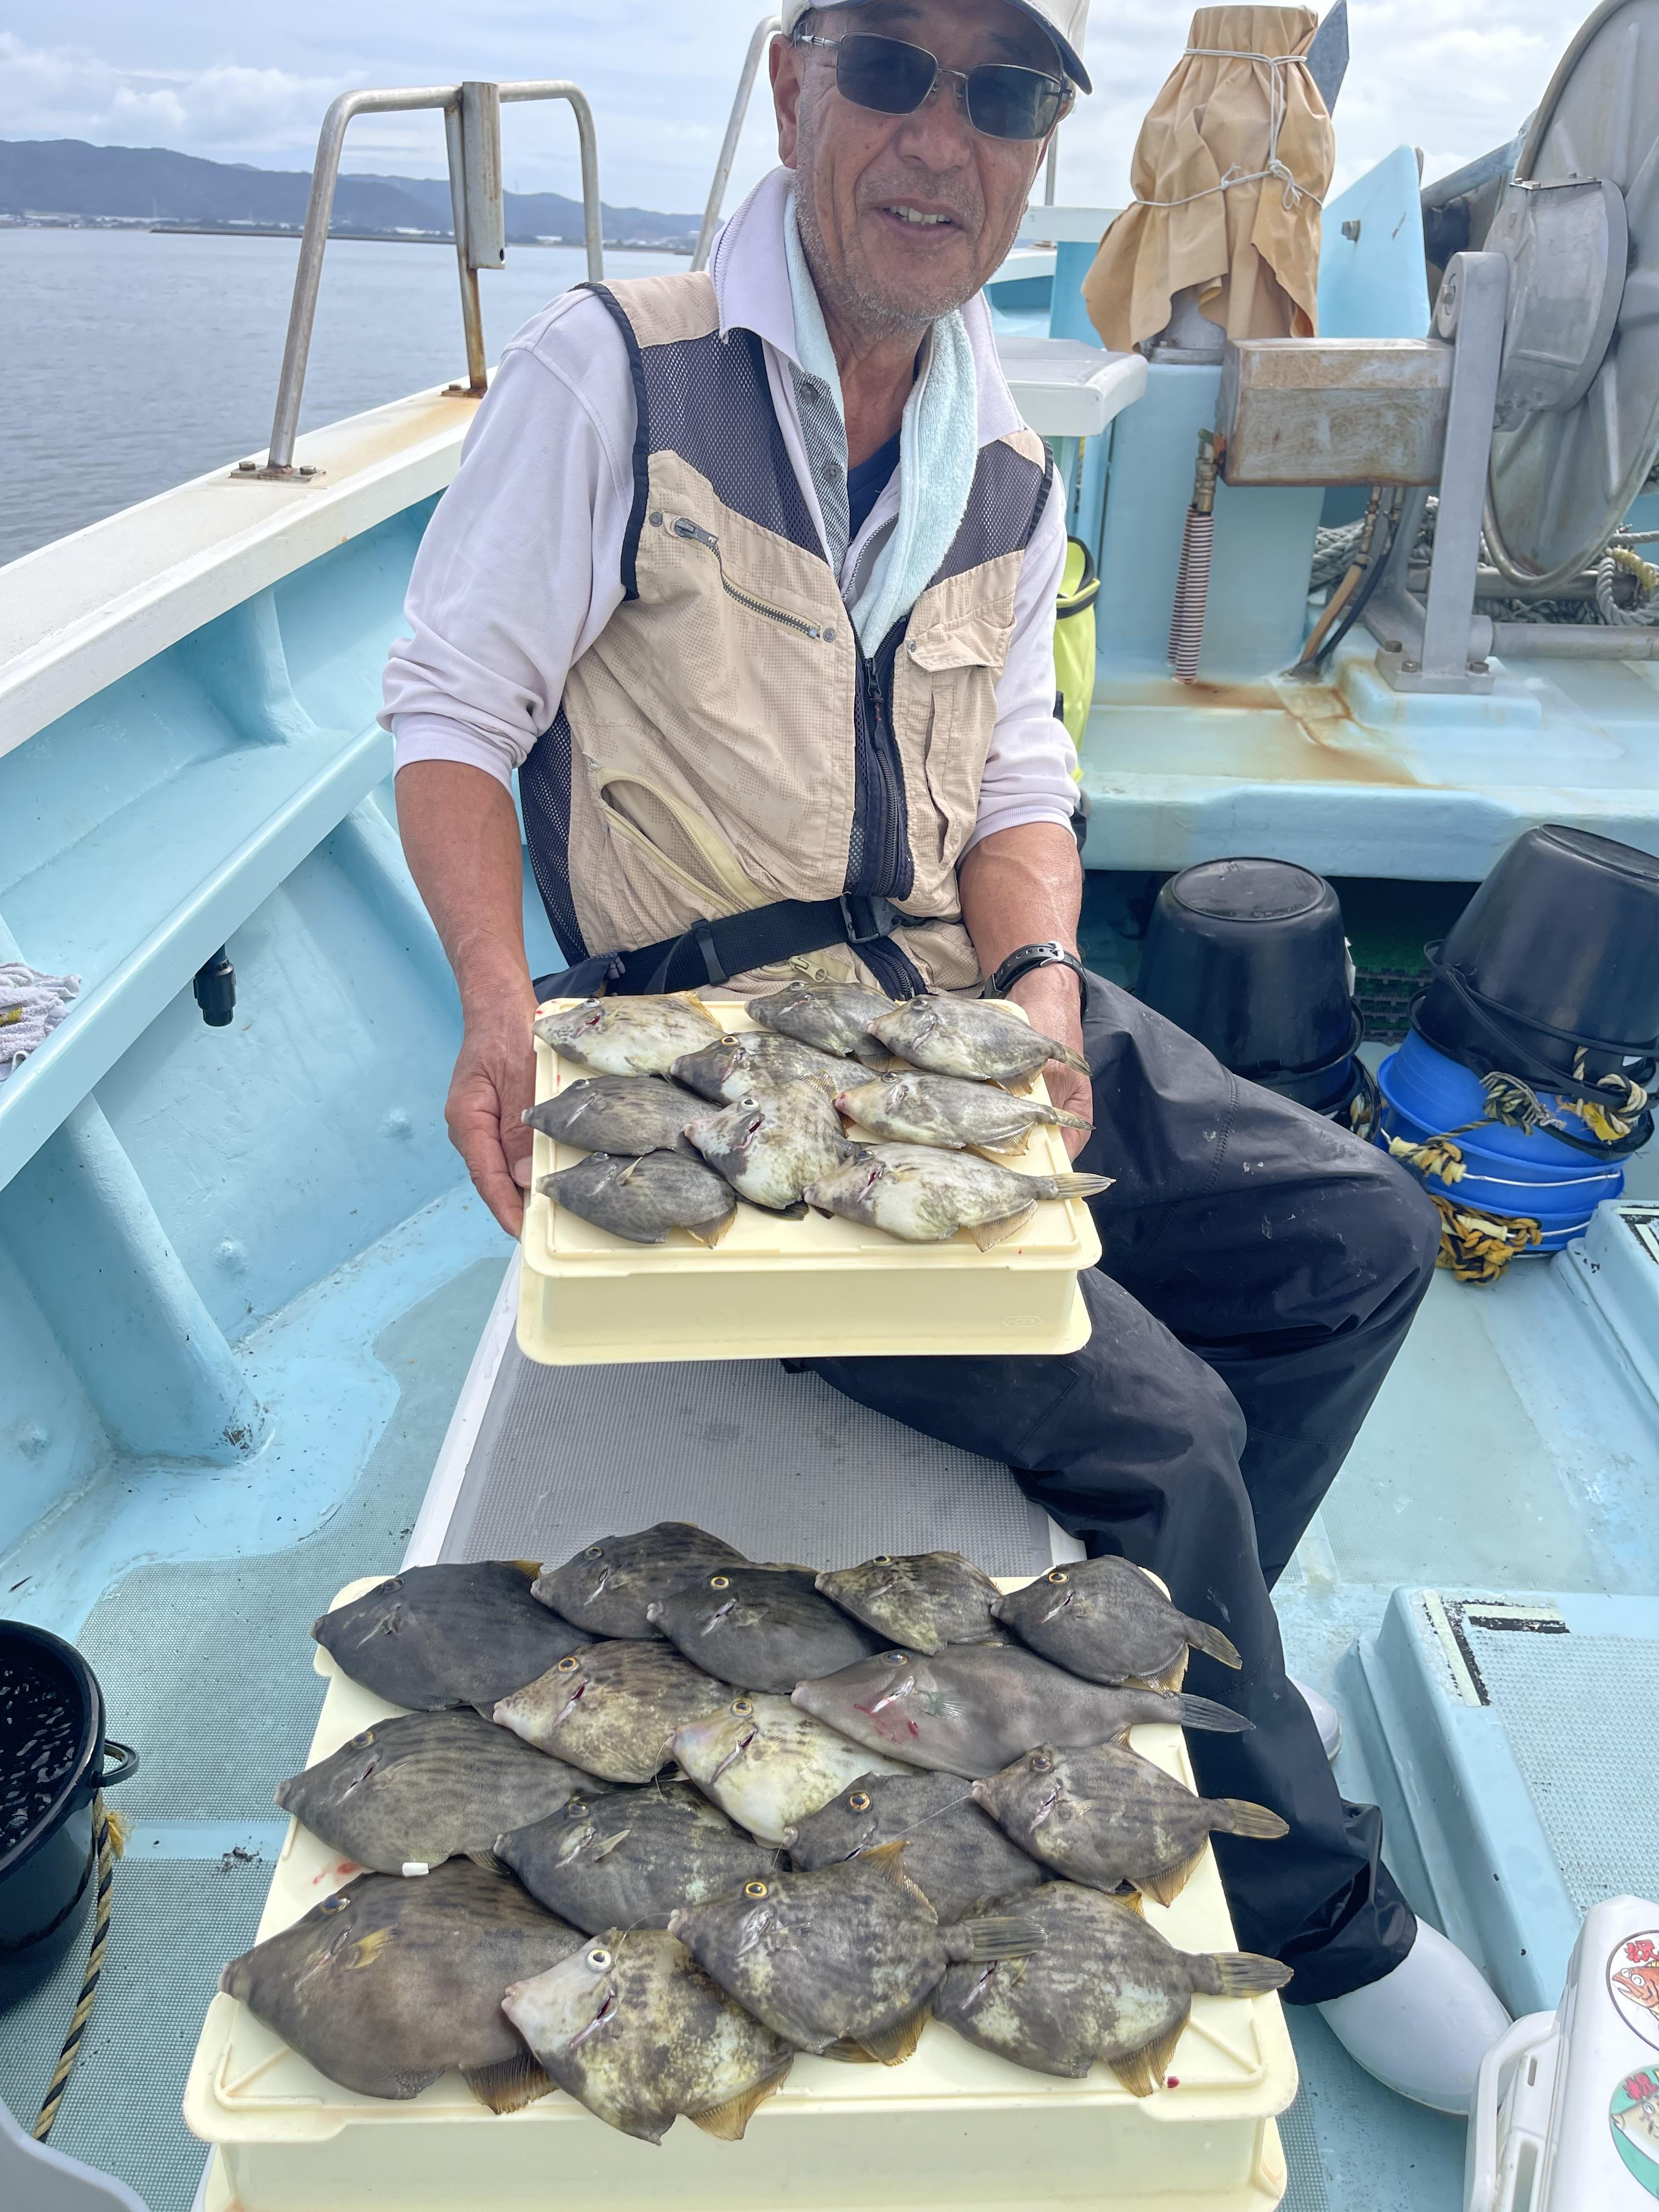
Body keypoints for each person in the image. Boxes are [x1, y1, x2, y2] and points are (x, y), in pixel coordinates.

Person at [383, 0, 1509, 2111]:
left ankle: (1170, 1670)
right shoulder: (610, 372)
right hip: (724, 1075)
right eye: (894, 68)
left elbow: (1017, 772)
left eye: (1003, 94)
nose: (942, 134)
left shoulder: (1003, 434)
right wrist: (494, 1005)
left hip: (944, 1006)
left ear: (1041, 143)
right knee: (1161, 1423)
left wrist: (1043, 993)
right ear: (795, 83)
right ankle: (1306, 1905)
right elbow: (455, 711)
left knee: (1355, 1234)